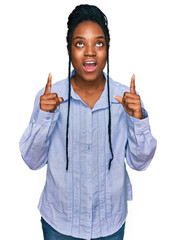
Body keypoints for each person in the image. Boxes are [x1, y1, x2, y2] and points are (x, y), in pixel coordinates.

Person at [19, 4, 157, 240]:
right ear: (69, 49)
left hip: (109, 225)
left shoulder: (125, 100)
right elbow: (32, 161)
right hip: (59, 224)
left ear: (108, 48)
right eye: (80, 43)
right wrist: (44, 117)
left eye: (99, 43)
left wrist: (138, 121)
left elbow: (139, 163)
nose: (90, 52)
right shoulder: (50, 97)